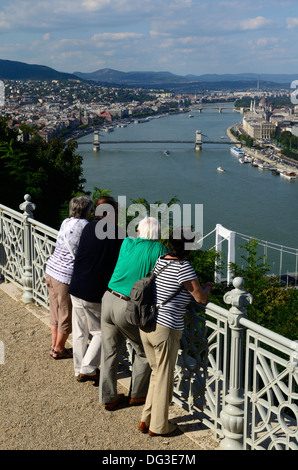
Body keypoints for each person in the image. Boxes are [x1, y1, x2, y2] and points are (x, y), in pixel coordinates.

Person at [138, 228, 213, 436]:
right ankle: (159, 427)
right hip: (166, 329)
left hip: (147, 325)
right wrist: (208, 288)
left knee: (157, 374)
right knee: (164, 377)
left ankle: (146, 419)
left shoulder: (161, 260)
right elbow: (200, 298)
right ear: (187, 248)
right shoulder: (184, 267)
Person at [99, 216, 167, 411]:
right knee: (144, 350)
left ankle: (109, 397)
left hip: (108, 298)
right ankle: (137, 395)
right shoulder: (159, 250)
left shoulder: (127, 243)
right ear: (157, 233)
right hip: (129, 306)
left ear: (139, 231)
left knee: (109, 351)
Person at [68, 196, 124, 384]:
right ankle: (88, 368)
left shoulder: (87, 227)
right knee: (102, 331)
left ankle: (78, 369)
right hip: (95, 291)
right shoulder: (118, 234)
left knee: (79, 331)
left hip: (76, 286)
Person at [45, 195, 93, 359]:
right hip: (64, 275)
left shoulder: (65, 222)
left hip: (50, 270)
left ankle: (54, 345)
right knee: (66, 313)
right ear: (87, 211)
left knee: (55, 310)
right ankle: (58, 349)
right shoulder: (86, 226)